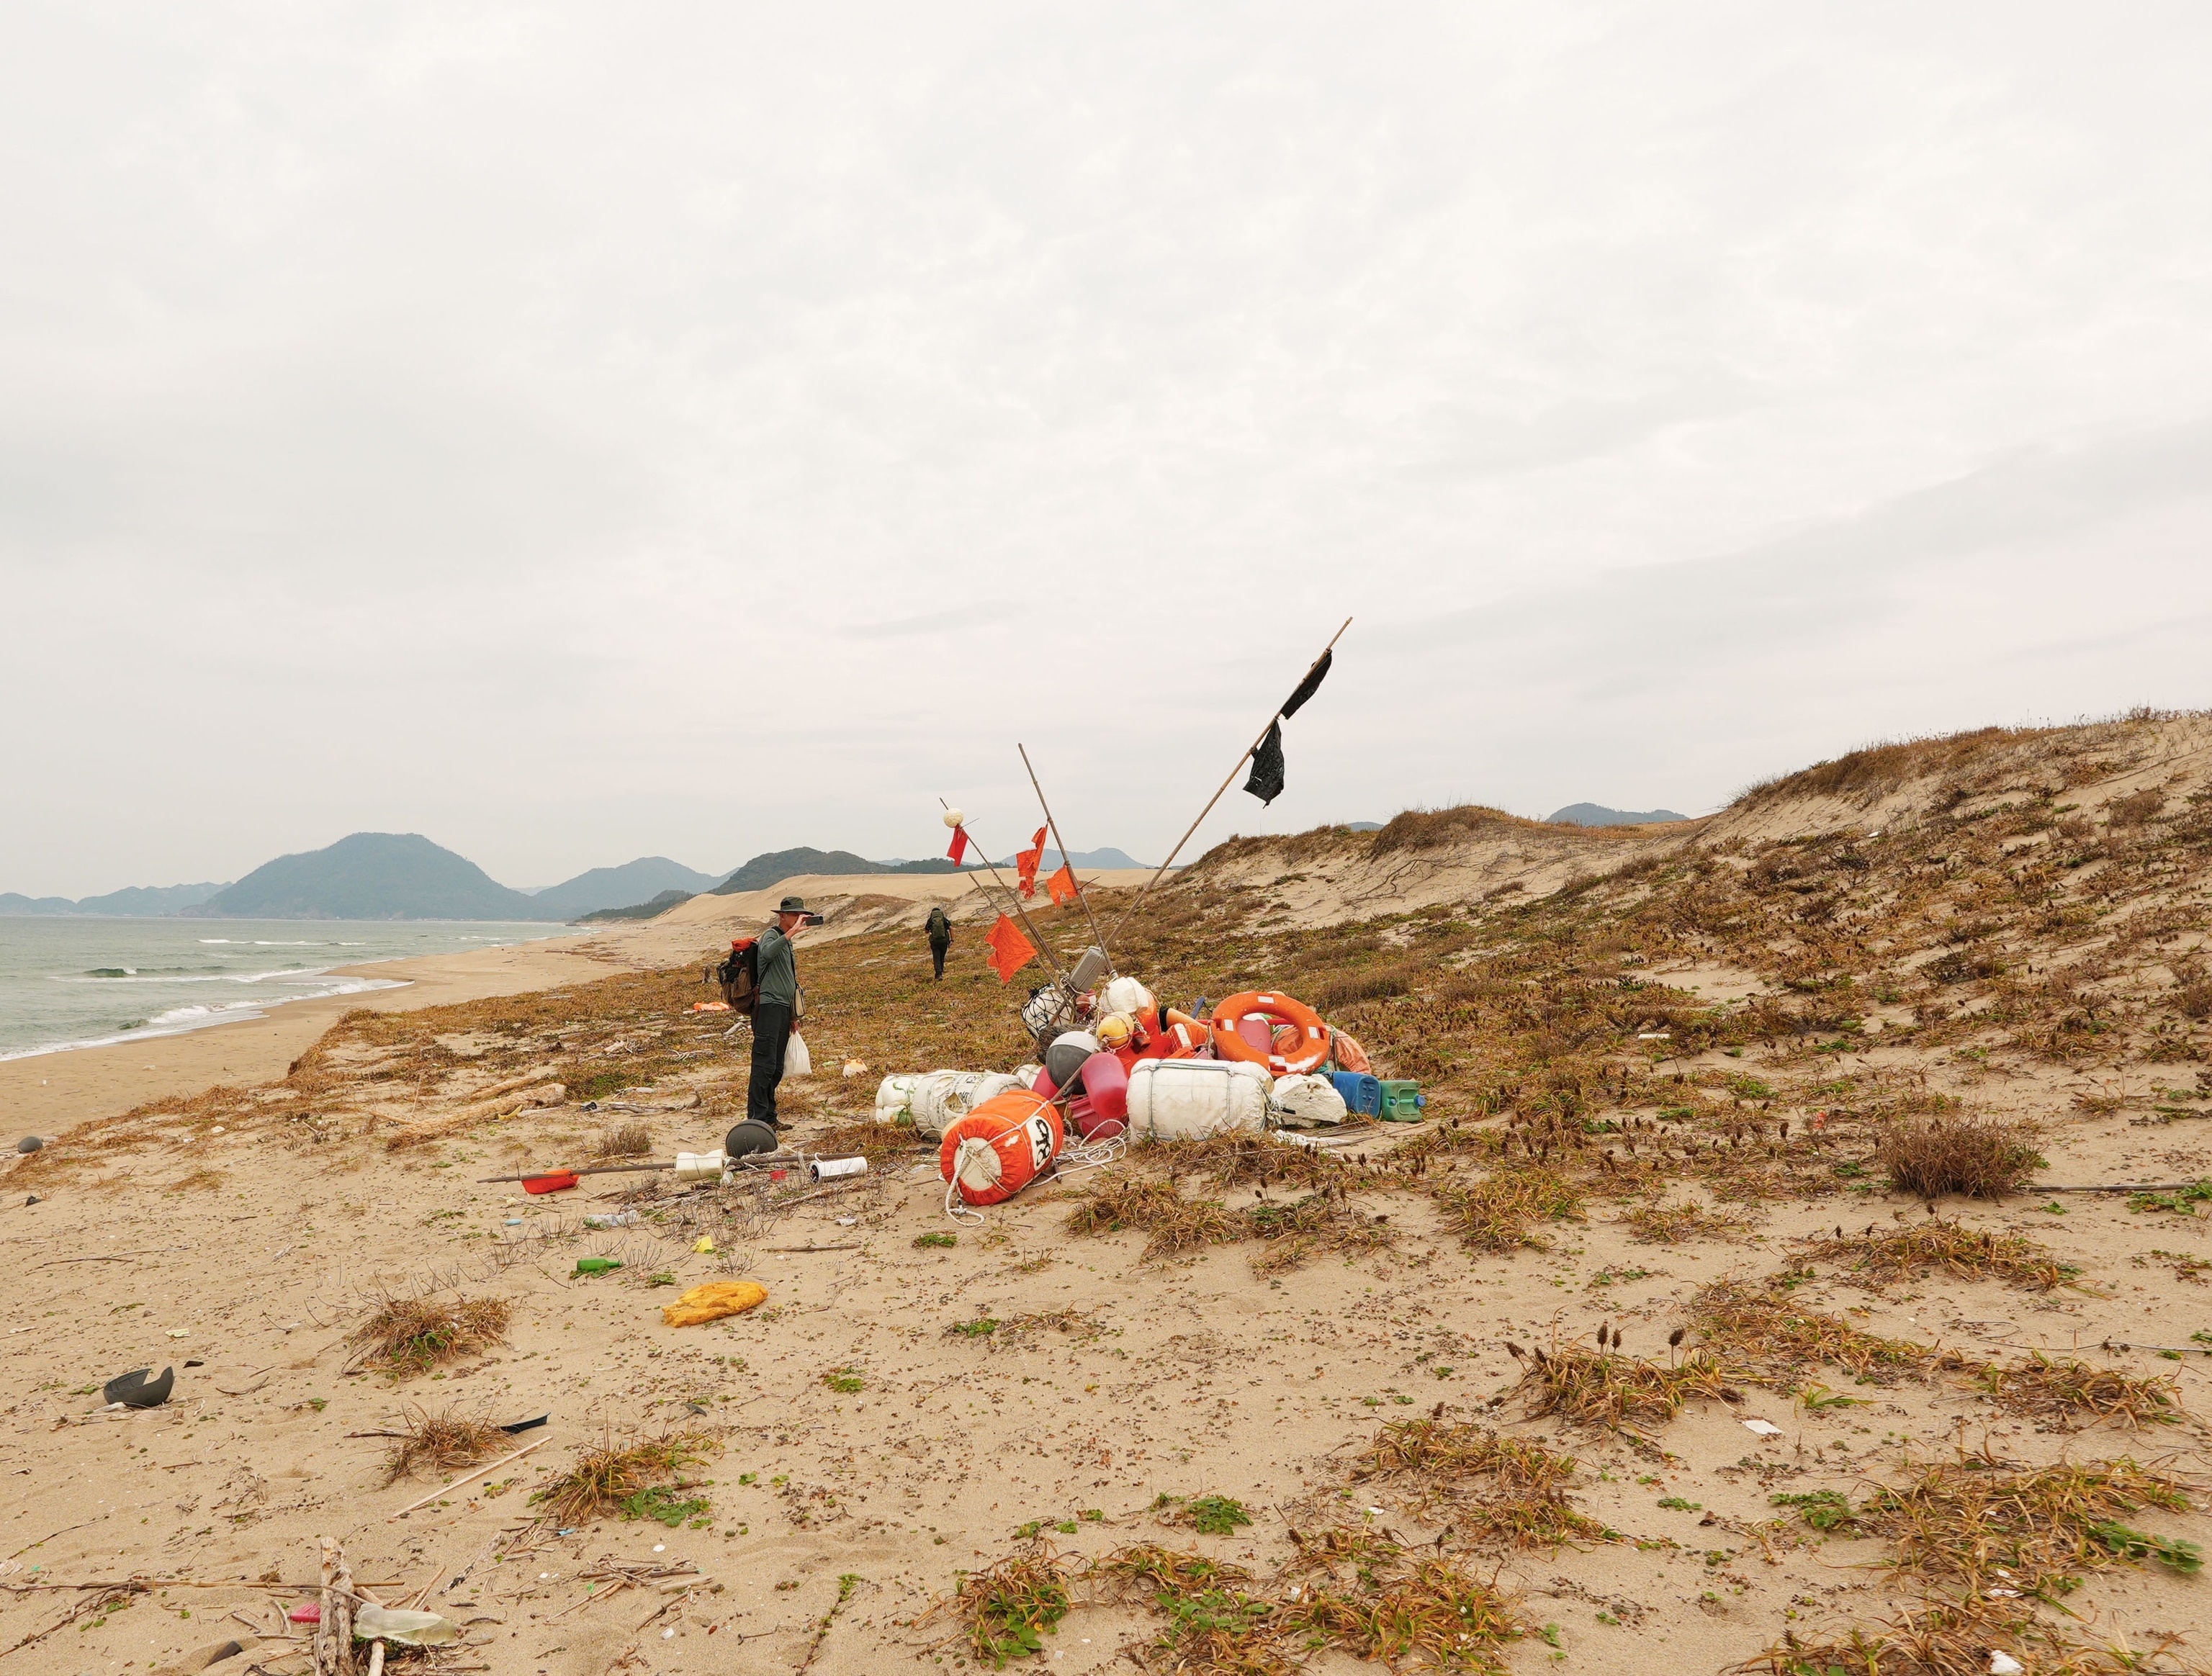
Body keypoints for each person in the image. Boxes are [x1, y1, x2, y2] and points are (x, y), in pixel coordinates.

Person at [745, 896, 808, 1136]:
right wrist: (790, 934)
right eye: (794, 915)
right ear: (782, 915)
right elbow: (767, 954)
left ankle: (770, 1117)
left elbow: (789, 979)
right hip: (769, 1007)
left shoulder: (787, 942)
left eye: (801, 915)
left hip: (783, 1009)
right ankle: (757, 1119)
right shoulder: (772, 935)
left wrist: (793, 1015)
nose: (798, 919)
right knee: (764, 1064)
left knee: (777, 1067)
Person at [925, 904, 952, 980]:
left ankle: (938, 974)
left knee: (936, 957)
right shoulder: (944, 919)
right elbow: (951, 929)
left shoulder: (930, 920)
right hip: (944, 941)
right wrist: (952, 940)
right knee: (942, 957)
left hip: (935, 942)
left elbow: (926, 931)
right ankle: (941, 971)